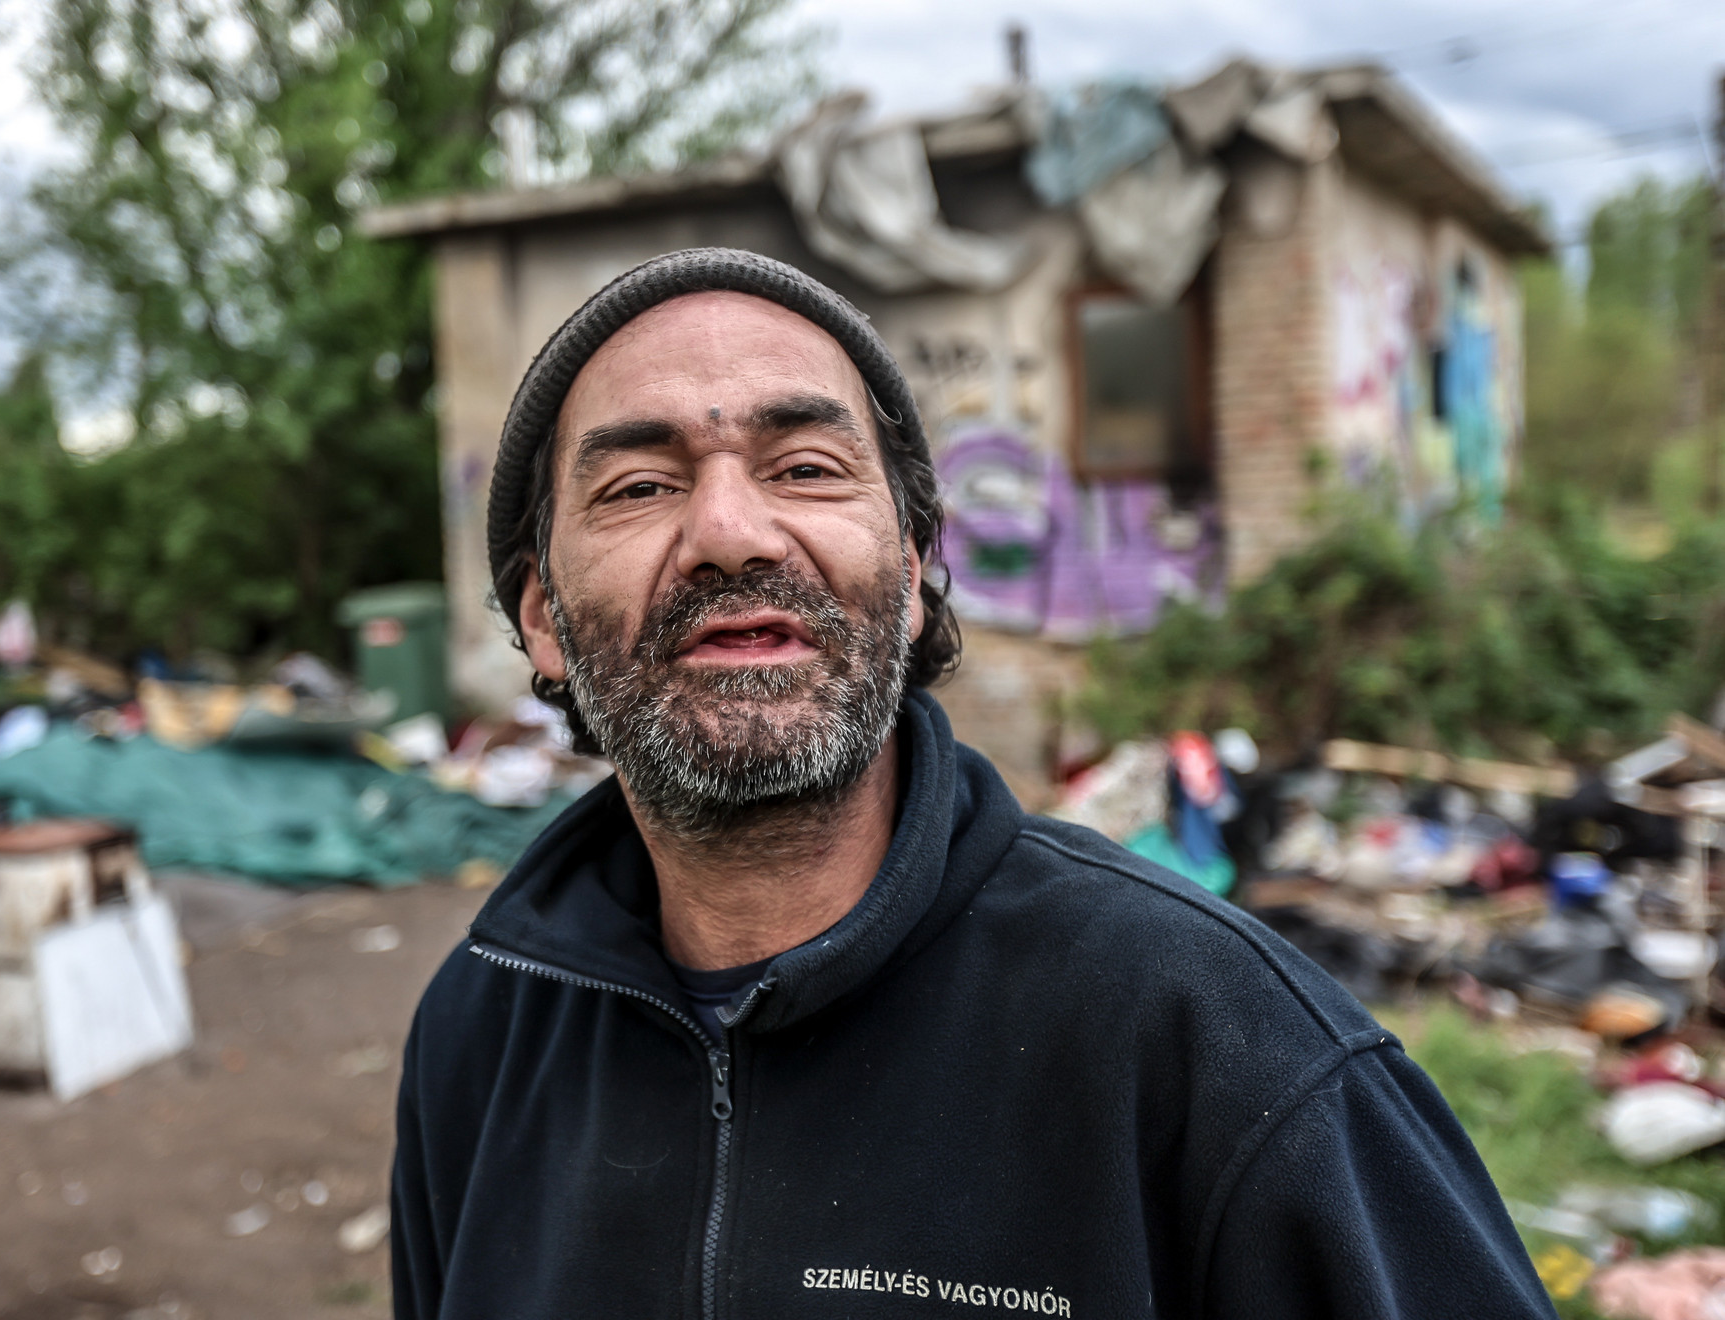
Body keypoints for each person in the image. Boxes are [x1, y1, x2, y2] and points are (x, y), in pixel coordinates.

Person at [390, 248, 1555, 1320]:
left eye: (805, 467)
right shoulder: (480, 1037)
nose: (731, 533)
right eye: (639, 487)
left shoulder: (1228, 1051)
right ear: (543, 618)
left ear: (909, 577)